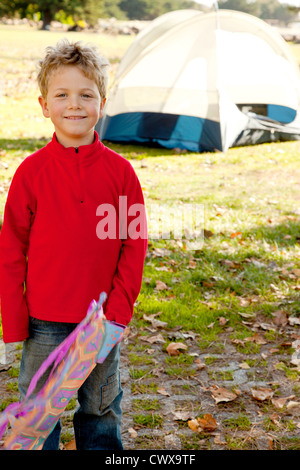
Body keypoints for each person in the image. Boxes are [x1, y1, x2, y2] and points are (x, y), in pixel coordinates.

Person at [0, 39, 147, 450]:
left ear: (102, 102)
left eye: (86, 94)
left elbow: (133, 246)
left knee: (100, 410)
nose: (75, 105)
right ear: (45, 104)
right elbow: (10, 249)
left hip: (100, 324)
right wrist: (14, 321)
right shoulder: (31, 174)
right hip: (42, 324)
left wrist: (117, 315)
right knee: (38, 416)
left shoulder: (121, 174)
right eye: (62, 95)